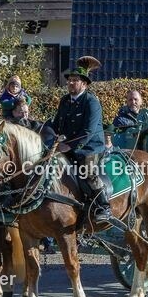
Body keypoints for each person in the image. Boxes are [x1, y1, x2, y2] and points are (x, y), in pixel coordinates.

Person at [50, 56, 109, 224]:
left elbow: (88, 132)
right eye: (69, 80)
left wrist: (69, 146)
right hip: (65, 145)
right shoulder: (64, 101)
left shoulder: (91, 102)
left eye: (75, 81)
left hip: (90, 147)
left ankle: (104, 206)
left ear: (84, 84)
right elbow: (56, 124)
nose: (70, 83)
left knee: (87, 172)